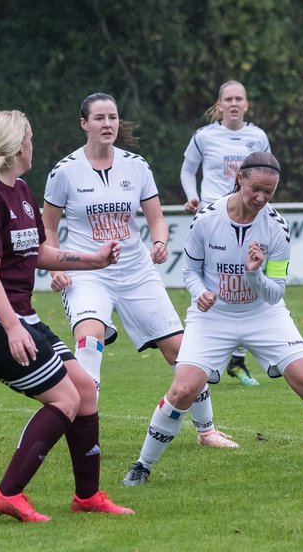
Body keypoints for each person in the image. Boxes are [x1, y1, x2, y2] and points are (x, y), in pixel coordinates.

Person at [121, 152, 303, 488]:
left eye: (269, 193)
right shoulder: (207, 219)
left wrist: (254, 275)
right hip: (212, 318)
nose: (261, 198)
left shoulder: (277, 228)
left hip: (263, 315)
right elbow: (189, 270)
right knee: (183, 389)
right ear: (239, 178)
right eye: (256, 189)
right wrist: (200, 293)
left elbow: (276, 293)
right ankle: (142, 466)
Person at [0, 110, 133, 522]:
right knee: (66, 398)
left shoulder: (19, 190)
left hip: (18, 316)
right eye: (31, 138)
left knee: (84, 388)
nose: (34, 145)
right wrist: (13, 327)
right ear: (19, 145)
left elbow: (36, 253)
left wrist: (93, 260)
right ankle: (8, 493)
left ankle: (87, 496)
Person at [43, 93, 237, 450]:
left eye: (113, 117)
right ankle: (84, 432)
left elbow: (156, 218)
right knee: (89, 340)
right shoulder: (65, 171)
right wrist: (56, 265)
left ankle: (207, 430)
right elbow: (49, 228)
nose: (107, 124)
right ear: (84, 124)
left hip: (136, 272)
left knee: (182, 351)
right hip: (87, 273)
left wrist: (160, 242)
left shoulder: (137, 166)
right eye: (99, 118)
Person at [181, 80, 272, 386]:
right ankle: (206, 353)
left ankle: (236, 360)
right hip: (212, 217)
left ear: (247, 104)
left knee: (245, 278)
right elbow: (187, 168)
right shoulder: (204, 136)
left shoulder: (257, 136)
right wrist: (191, 195)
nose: (234, 104)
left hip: (248, 219)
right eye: (228, 99)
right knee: (209, 280)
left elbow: (268, 173)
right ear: (219, 105)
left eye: (239, 99)